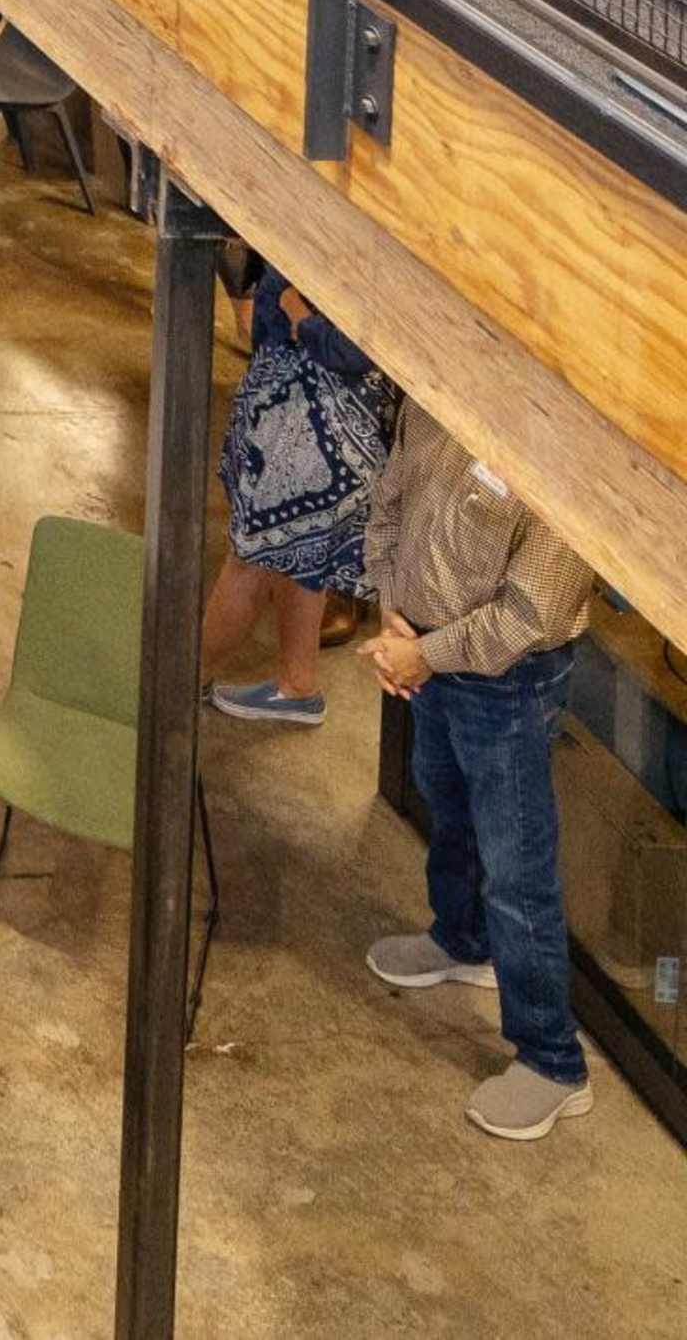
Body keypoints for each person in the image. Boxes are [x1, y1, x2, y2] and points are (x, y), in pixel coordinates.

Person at [362, 401, 602, 1143]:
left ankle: (554, 1060)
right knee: (446, 801)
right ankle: (462, 941)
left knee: (517, 866)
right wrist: (391, 613)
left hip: (508, 681)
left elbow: (527, 617)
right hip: (423, 653)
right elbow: (389, 500)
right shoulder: (440, 398)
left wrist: (421, 655)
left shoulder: (567, 460)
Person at [200, 258, 393, 727]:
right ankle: (298, 684)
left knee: (252, 561)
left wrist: (296, 314)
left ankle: (173, 680)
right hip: (291, 421)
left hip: (316, 434)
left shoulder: (360, 245)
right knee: (299, 560)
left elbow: (353, 350)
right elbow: (263, 323)